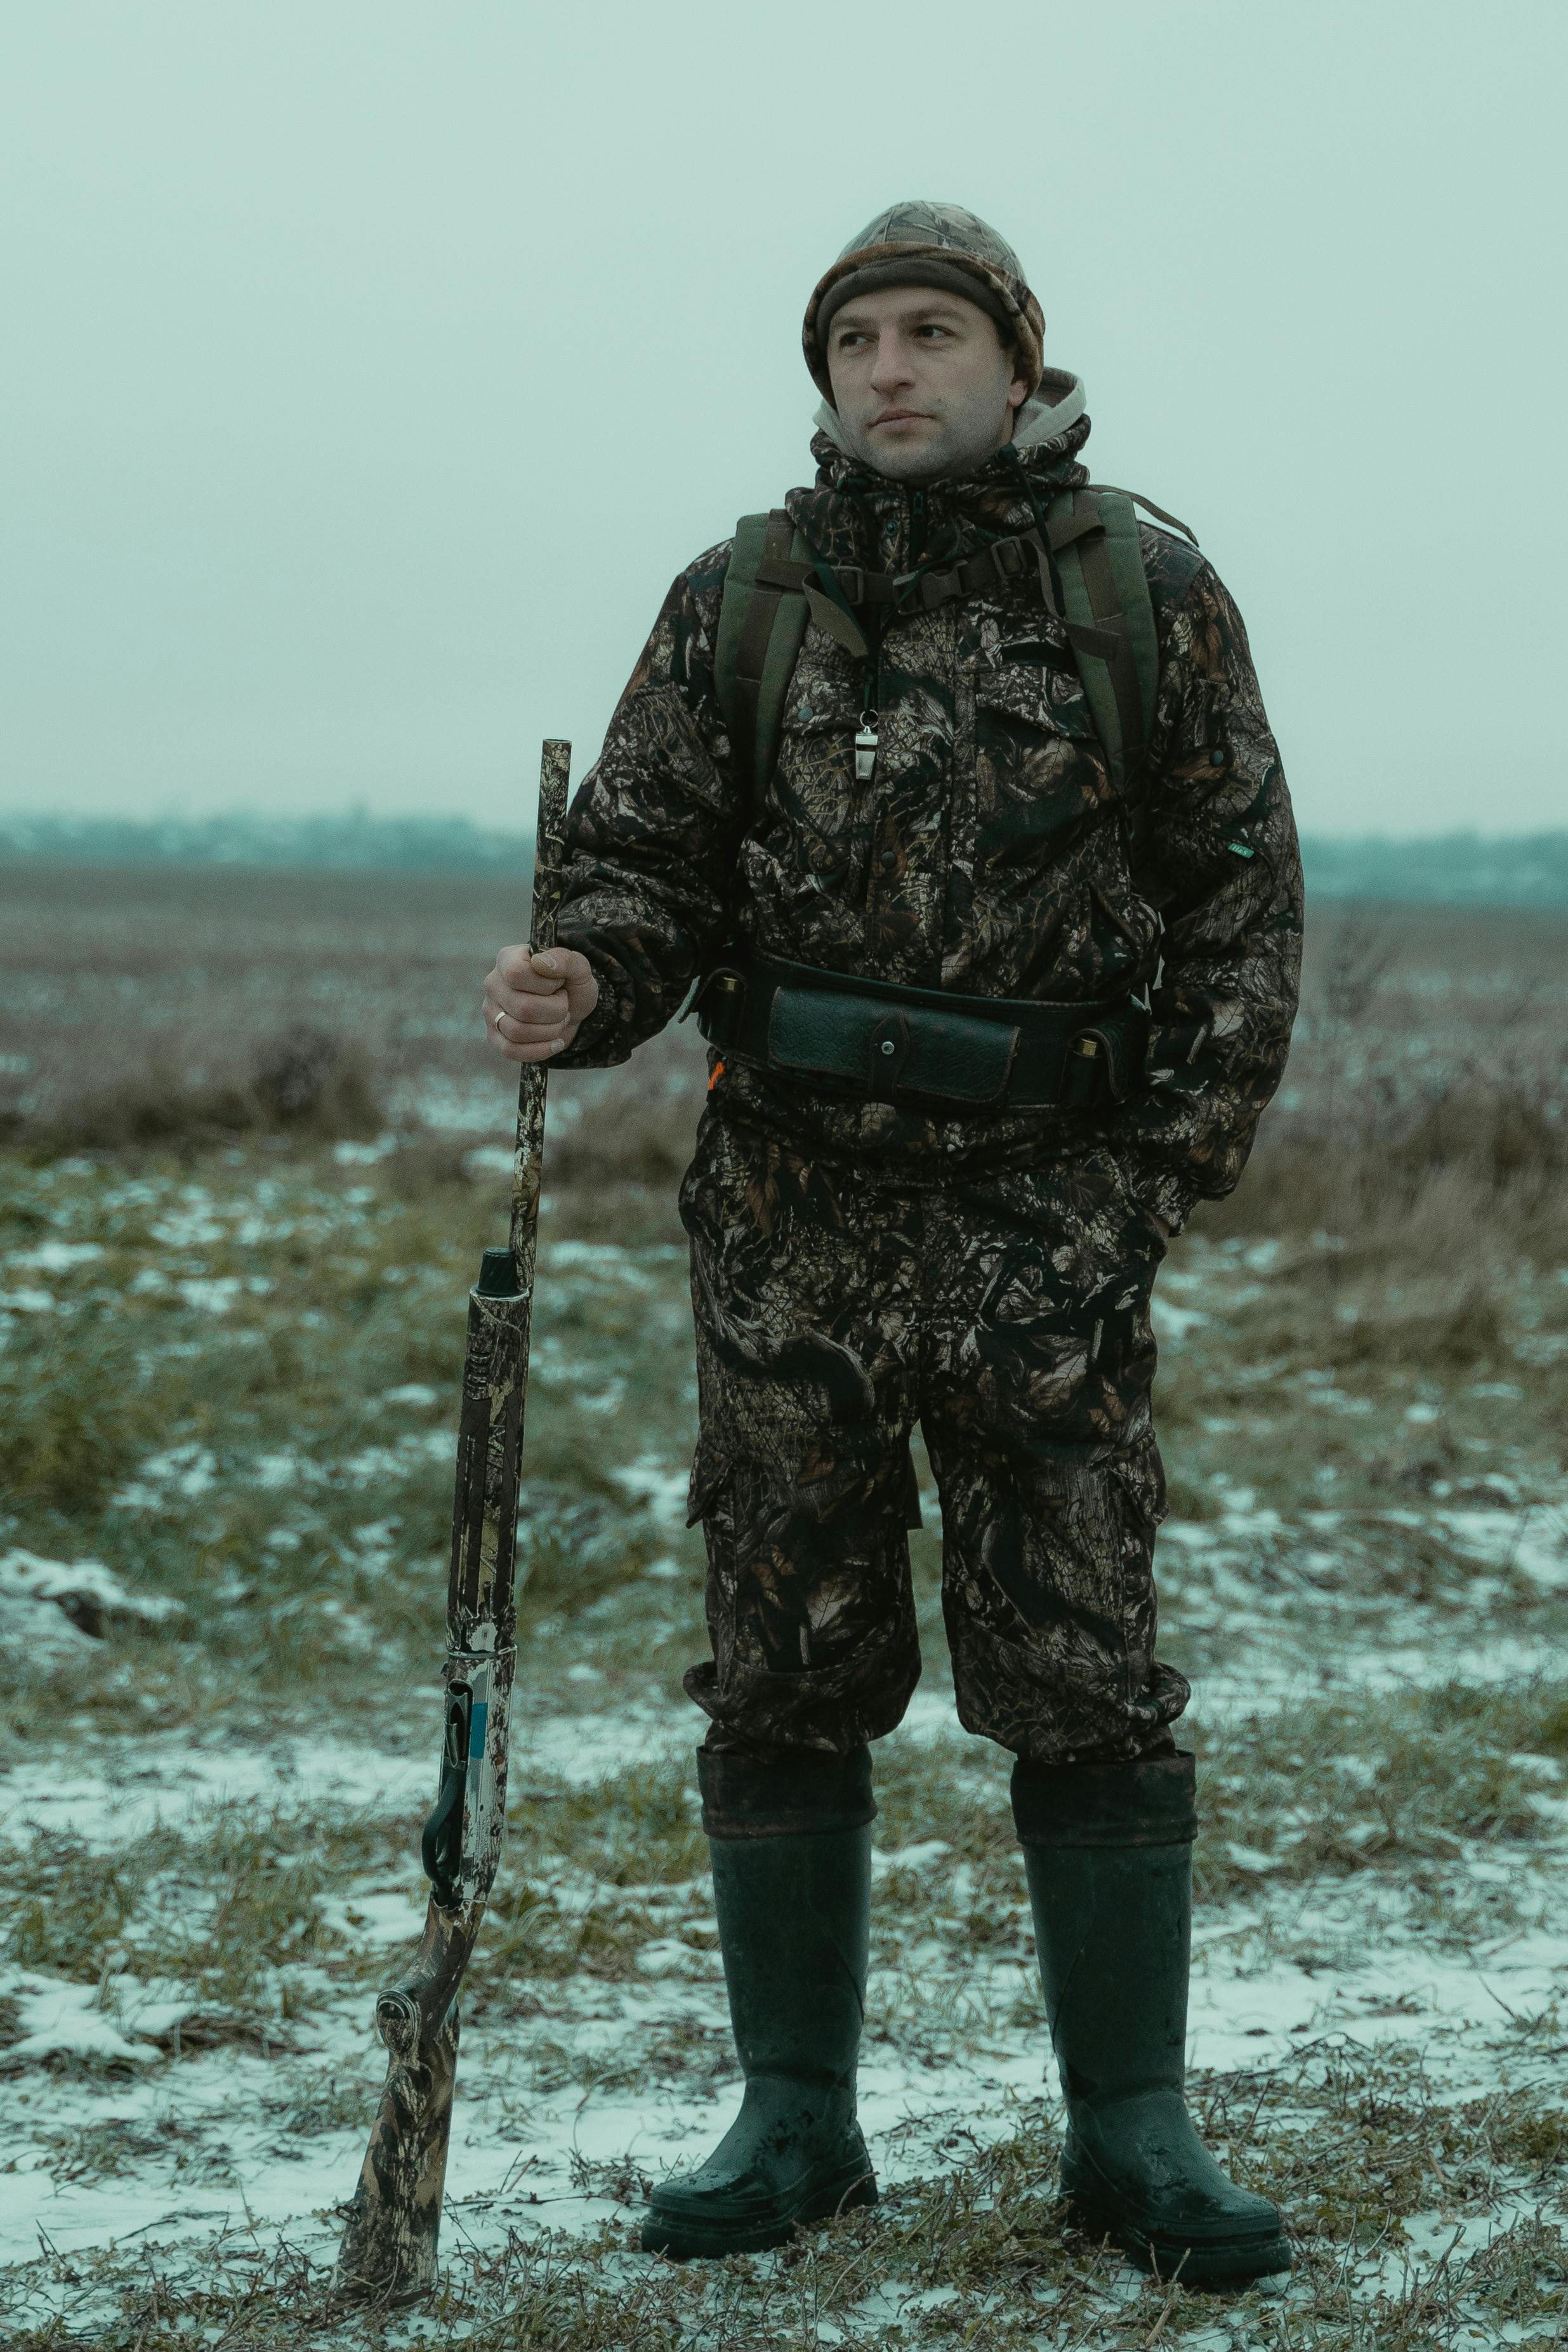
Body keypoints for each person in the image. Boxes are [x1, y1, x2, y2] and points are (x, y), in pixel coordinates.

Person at [483, 202, 1301, 2285]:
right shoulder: (742, 600)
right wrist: (582, 976)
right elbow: (647, 862)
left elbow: (1238, 903)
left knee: (1090, 1677)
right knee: (782, 1669)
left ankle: (1133, 2136)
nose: (893, 369)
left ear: (1020, 364)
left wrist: (1151, 1184)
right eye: (857, 338)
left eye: (937, 332)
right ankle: (796, 2122)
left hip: (1049, 1226)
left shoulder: (1144, 593)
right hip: (791, 1225)